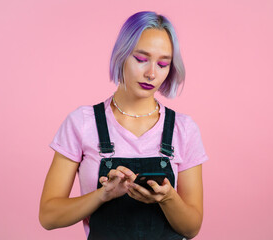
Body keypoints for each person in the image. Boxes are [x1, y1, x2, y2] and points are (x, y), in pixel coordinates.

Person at [39, 11, 209, 240]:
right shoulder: (82, 123)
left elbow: (191, 228)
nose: (151, 73)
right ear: (121, 55)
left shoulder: (184, 129)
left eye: (162, 64)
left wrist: (168, 198)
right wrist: (103, 195)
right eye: (140, 59)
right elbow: (49, 216)